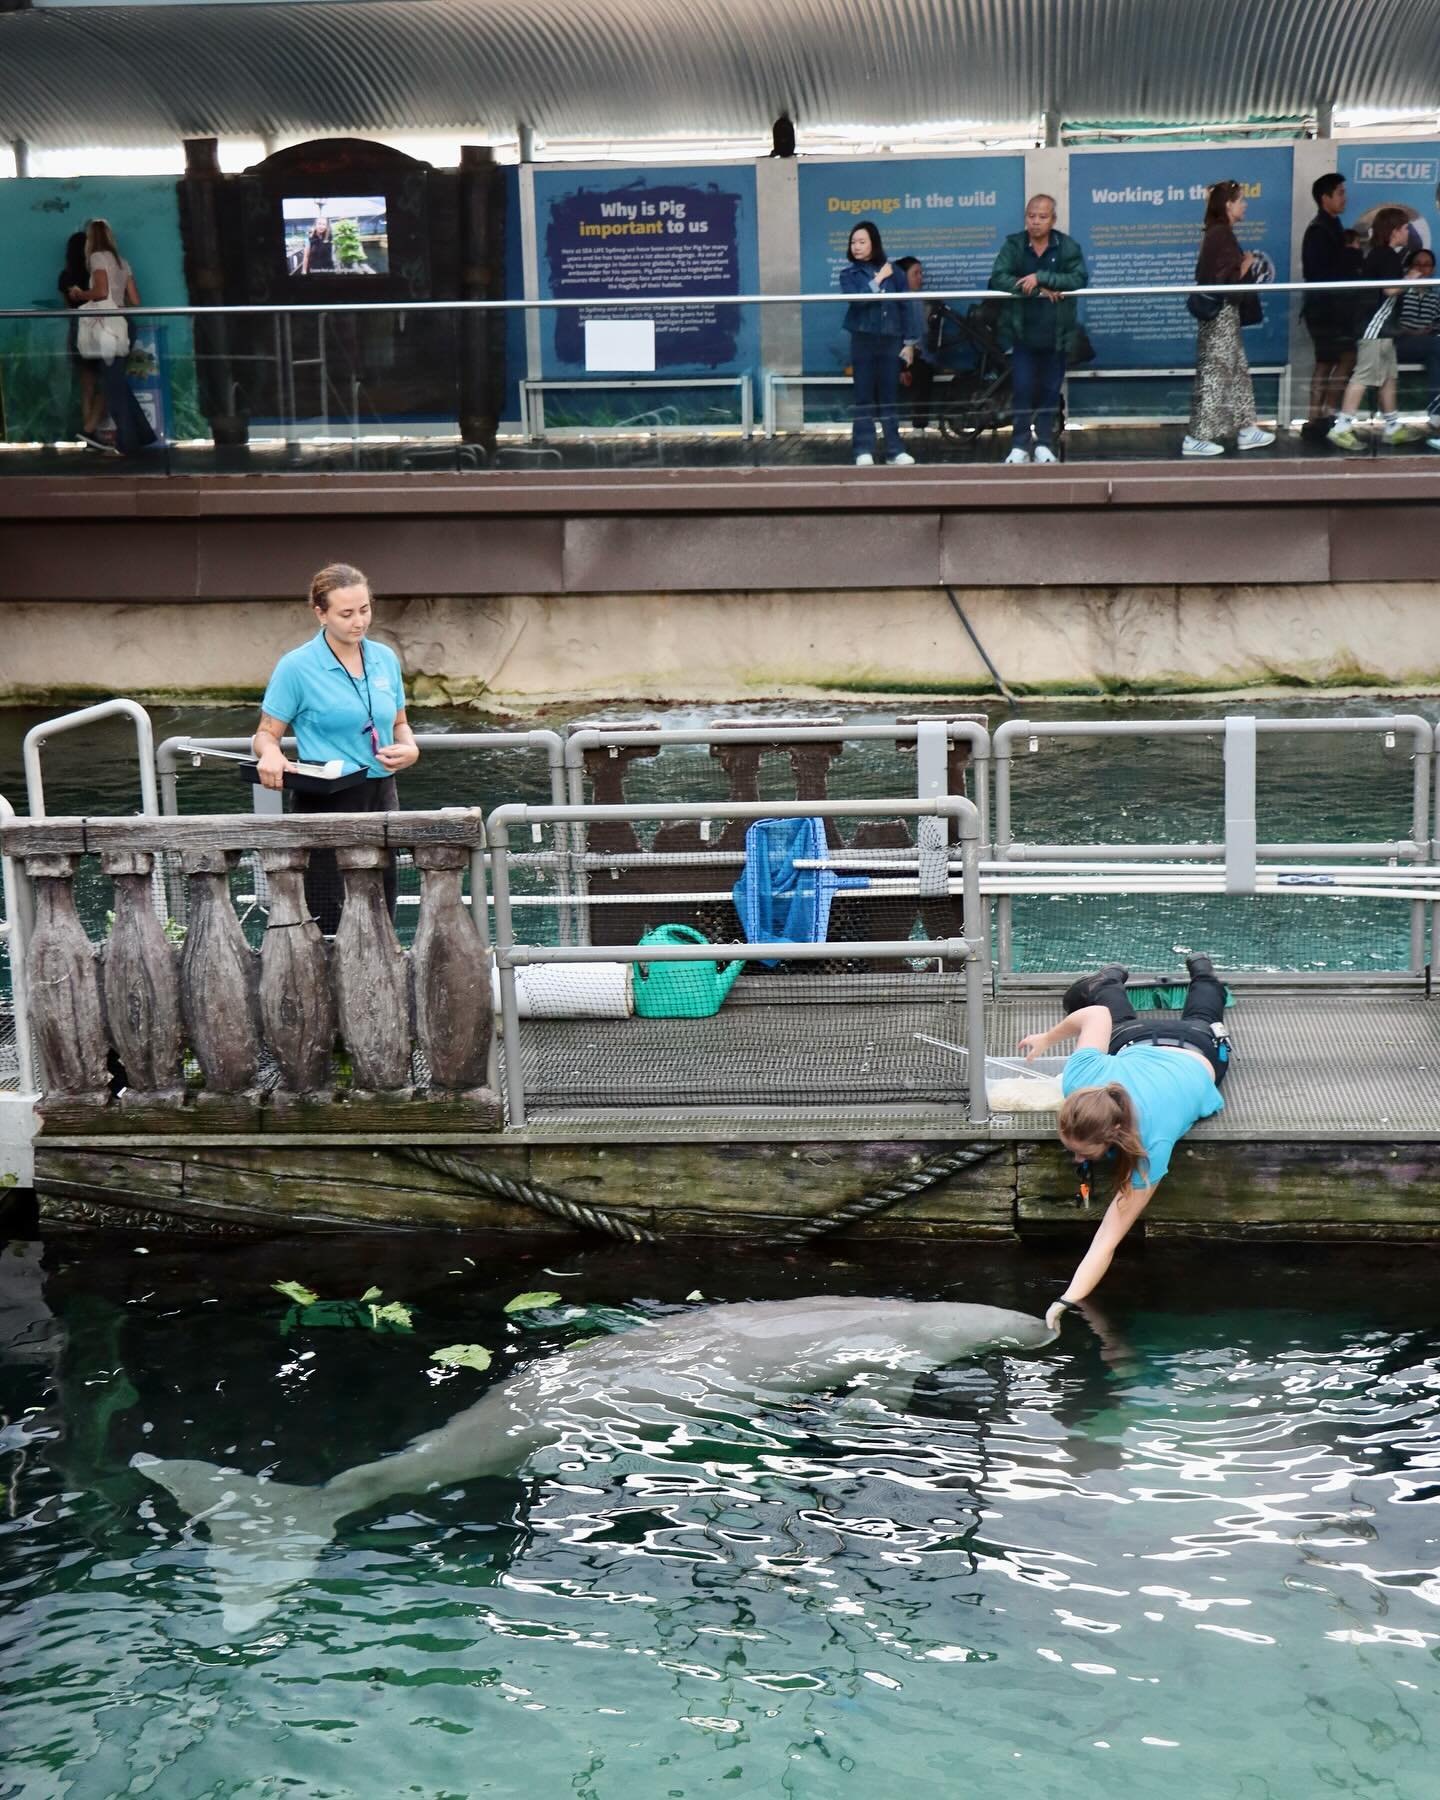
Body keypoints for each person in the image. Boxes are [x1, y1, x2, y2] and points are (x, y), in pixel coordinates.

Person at [1018, 958, 1232, 1329]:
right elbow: (1095, 1014)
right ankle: (1197, 973)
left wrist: (1064, 1302)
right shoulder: (1079, 1080)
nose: (1075, 1158)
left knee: (1202, 1016)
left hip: (1193, 1049)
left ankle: (1166, 976)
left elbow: (1106, 1240)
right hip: (1156, 1041)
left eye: (1083, 1153)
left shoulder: (1152, 1143)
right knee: (1198, 1014)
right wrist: (1047, 1039)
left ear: (1115, 1135)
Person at [253, 563, 420, 933]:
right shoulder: (296, 667)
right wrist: (272, 754)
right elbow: (265, 734)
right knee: (328, 916)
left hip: (381, 795)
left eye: (365, 610)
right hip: (325, 799)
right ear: (321, 614)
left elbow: (399, 723)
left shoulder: (385, 658)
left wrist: (410, 748)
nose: (359, 622)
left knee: (381, 910)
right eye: (346, 614)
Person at [988, 194, 1088, 465]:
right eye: (1031, 216)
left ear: (1053, 220)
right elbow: (998, 277)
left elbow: (1079, 278)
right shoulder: (1014, 245)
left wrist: (1042, 277)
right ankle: (1019, 445)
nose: (1036, 222)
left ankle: (1044, 443)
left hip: (1056, 333)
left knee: (1049, 391)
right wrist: (1035, 289)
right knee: (1021, 389)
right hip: (1023, 333)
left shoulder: (1066, 246)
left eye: (1042, 217)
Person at [1183, 182, 1276, 459]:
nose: (1244, 205)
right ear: (1228, 204)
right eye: (1240, 200)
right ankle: (1197, 436)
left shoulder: (1218, 233)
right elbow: (1224, 280)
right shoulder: (1221, 234)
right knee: (1217, 370)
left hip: (1224, 313)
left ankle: (1246, 428)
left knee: (1236, 370)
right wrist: (1245, 265)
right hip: (1221, 313)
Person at [1328, 209, 1425, 451]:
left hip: (1384, 329)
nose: (1408, 232)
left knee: (1388, 376)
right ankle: (1341, 427)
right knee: (1363, 375)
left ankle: (1392, 426)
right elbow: (1389, 290)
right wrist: (1410, 279)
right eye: (1405, 228)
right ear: (1394, 231)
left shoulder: (1382, 255)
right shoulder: (1385, 255)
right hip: (1374, 327)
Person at [66, 218, 150, 455]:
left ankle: (128, 442)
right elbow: (135, 300)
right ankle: (143, 434)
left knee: (112, 387)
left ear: (91, 239)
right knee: (117, 382)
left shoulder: (96, 258)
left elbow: (101, 292)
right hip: (125, 324)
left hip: (107, 330)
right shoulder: (123, 262)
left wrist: (80, 294)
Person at [838, 220, 917, 467]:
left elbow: (906, 307)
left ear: (874, 243)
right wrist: (879, 279)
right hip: (863, 340)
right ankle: (863, 449)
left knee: (889, 396)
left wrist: (909, 342)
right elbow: (857, 301)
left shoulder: (896, 272)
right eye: (853, 242)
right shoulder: (849, 274)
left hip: (890, 340)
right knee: (864, 396)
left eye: (862, 242)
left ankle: (894, 449)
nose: (857, 246)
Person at [1300, 174, 1362, 441]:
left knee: (1329, 362)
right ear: (1325, 198)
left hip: (1331, 307)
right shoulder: (1319, 230)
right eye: (1339, 193)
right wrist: (1351, 255)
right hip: (1326, 308)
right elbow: (1320, 272)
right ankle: (1322, 416)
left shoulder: (1332, 226)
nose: (1344, 198)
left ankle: (1319, 417)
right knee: (1340, 359)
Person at [1389, 248, 1440, 452]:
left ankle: (1436, 415)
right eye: (1418, 264)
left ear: (1433, 269)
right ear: (1410, 267)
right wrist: (1412, 331)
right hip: (1399, 344)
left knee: (1436, 359)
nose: (1422, 269)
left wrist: (1430, 330)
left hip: (1426, 345)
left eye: (1427, 265)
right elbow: (1390, 323)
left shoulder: (1435, 296)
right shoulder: (1401, 292)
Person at [893, 256, 939, 430]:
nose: (921, 278)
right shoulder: (896, 300)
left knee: (924, 369)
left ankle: (920, 425)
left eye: (921, 273)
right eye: (915, 274)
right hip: (897, 354)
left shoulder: (920, 299)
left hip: (919, 355)